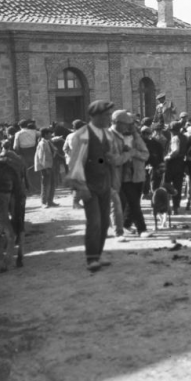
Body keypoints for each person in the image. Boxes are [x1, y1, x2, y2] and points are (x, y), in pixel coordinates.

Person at [66, 100, 116, 272]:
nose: (109, 118)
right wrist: (81, 187)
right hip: (89, 185)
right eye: (106, 115)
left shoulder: (107, 134)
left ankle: (98, 255)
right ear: (96, 116)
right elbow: (76, 162)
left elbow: (101, 158)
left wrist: (109, 159)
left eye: (110, 115)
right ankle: (91, 258)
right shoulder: (82, 135)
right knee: (94, 222)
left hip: (105, 183)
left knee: (103, 223)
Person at [121, 120, 151, 238]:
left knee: (133, 202)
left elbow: (145, 155)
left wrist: (133, 152)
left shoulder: (137, 139)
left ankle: (125, 225)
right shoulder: (114, 138)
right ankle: (142, 229)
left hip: (138, 175)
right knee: (134, 203)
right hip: (124, 176)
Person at [109, 110, 135, 242]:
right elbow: (114, 160)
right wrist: (127, 154)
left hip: (117, 175)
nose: (127, 127)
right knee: (116, 203)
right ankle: (118, 233)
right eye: (125, 124)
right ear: (117, 123)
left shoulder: (118, 136)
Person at [164, 120, 188, 215]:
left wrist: (166, 157)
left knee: (167, 184)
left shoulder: (175, 138)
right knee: (177, 185)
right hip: (181, 163)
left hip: (171, 164)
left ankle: (168, 206)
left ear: (172, 130)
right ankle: (176, 206)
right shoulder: (185, 137)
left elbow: (175, 151)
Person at [34, 127, 59, 208]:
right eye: (49, 134)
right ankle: (44, 202)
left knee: (52, 184)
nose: (51, 135)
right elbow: (41, 157)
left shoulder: (48, 142)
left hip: (51, 165)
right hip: (46, 167)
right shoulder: (42, 143)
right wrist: (45, 167)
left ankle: (50, 201)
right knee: (46, 185)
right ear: (45, 134)